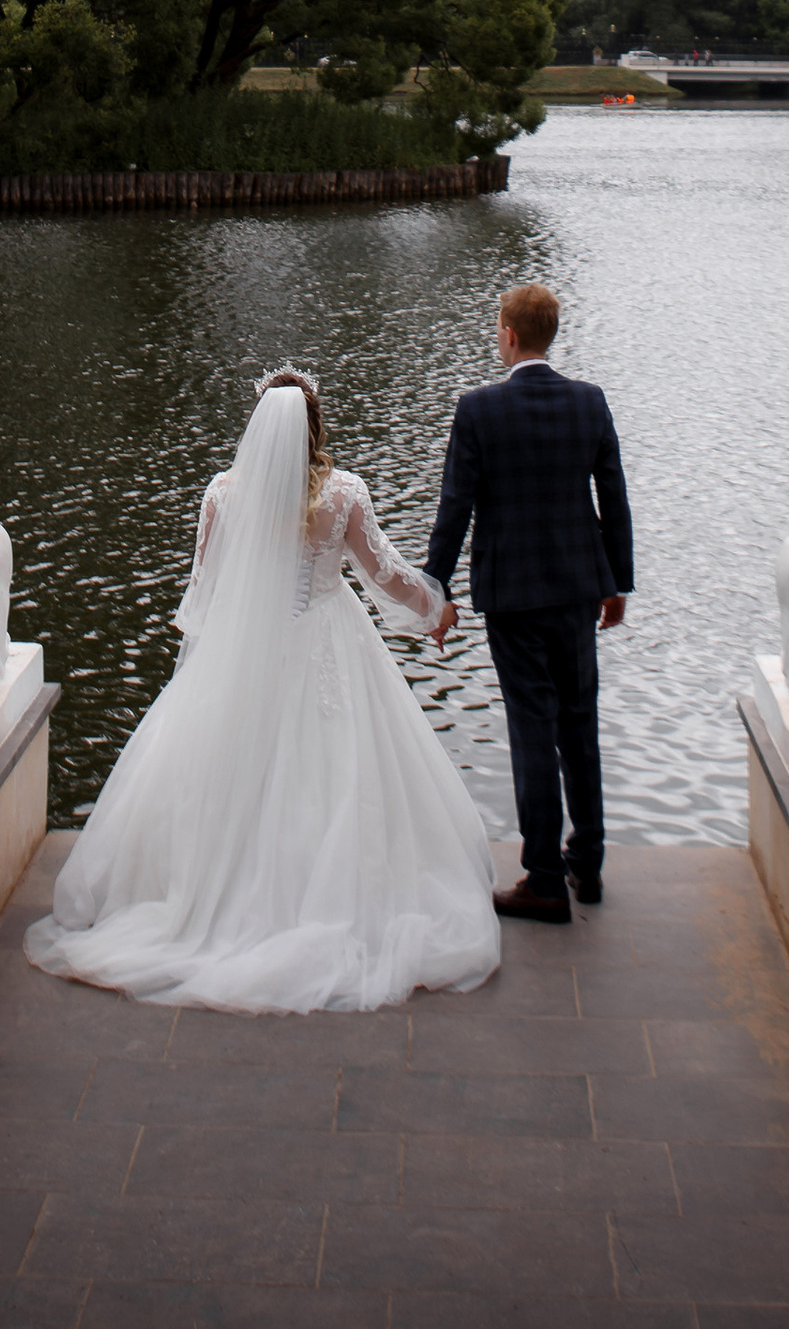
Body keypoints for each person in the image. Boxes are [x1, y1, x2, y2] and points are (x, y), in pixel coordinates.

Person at [25, 370, 499, 1013]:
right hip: (328, 644)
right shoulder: (344, 495)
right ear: (314, 424)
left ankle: (209, 904)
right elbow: (385, 576)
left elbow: (202, 592)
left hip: (243, 650)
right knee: (333, 774)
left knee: (235, 773)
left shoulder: (223, 494)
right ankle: (324, 901)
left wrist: (206, 666)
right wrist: (435, 612)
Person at [424, 279, 632, 925]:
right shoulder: (589, 403)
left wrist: (435, 590)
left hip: (512, 595)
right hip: (576, 590)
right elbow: (613, 498)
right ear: (549, 336)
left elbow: (455, 508)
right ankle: (587, 865)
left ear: (509, 336)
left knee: (532, 730)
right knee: (579, 723)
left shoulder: (478, 410)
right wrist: (616, 581)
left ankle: (543, 877)